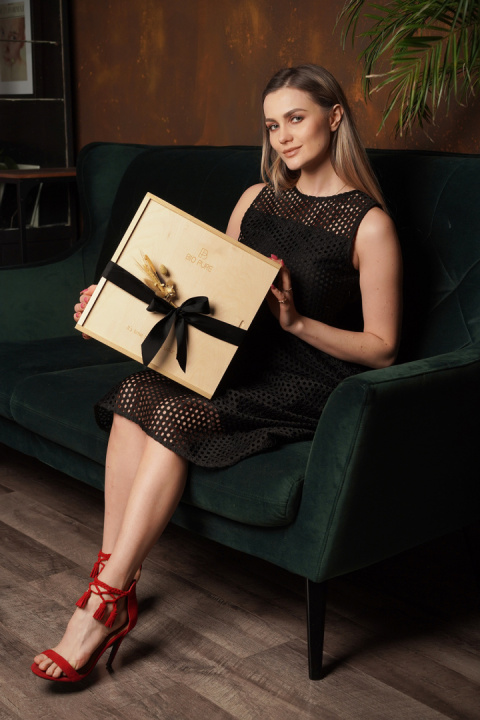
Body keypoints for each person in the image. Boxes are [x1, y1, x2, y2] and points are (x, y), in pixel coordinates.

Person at [32, 64, 402, 682]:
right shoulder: (254, 200)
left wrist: (297, 322)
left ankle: (101, 605)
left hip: (308, 382)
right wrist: (114, 307)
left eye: (296, 119)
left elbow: (384, 349)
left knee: (171, 414)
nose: (283, 137)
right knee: (134, 394)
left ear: (334, 117)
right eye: (272, 125)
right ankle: (112, 580)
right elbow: (207, 301)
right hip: (239, 363)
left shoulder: (370, 224)